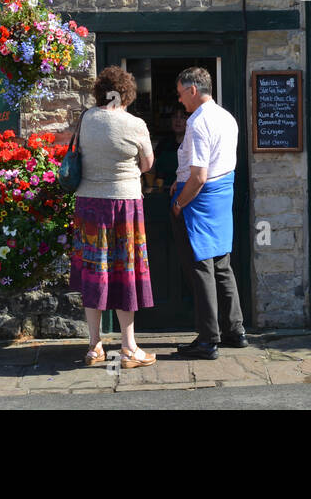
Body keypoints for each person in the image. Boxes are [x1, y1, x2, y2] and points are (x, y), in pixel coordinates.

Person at [70, 66, 157, 368]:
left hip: (89, 205)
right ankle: (129, 348)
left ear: (99, 91)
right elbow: (147, 164)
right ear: (127, 94)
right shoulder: (135, 124)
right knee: (125, 274)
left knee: (93, 273)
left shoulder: (85, 119)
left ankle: (94, 347)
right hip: (124, 206)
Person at [171, 67, 246, 360]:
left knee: (201, 268)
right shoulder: (226, 116)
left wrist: (179, 203)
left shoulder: (198, 122)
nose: (180, 101)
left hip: (200, 200)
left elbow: (199, 175)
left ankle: (208, 339)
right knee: (221, 264)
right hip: (222, 195)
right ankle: (235, 330)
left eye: (180, 94)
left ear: (192, 90)